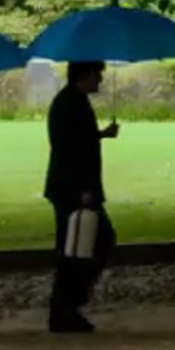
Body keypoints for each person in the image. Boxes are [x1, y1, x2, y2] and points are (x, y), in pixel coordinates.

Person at [45, 60, 119, 334]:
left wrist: (101, 135)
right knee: (84, 246)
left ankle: (67, 306)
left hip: (72, 188)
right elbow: (67, 150)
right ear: (85, 75)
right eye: (97, 74)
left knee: (79, 246)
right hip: (74, 190)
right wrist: (82, 190)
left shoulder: (71, 101)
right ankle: (67, 306)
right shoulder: (70, 104)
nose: (100, 79)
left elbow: (77, 141)